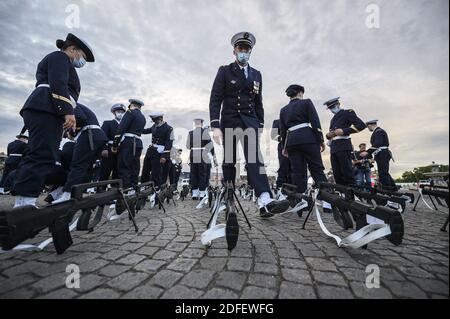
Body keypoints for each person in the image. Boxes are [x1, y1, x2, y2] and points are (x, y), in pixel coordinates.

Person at [209, 31, 289, 218]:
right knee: (229, 160)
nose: (243, 51)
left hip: (250, 121)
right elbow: (215, 99)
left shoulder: (257, 74)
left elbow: (258, 101)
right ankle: (228, 193)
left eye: (247, 49)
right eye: (240, 48)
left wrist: (260, 124)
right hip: (229, 120)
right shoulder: (225, 71)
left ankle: (265, 200)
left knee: (255, 158)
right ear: (234, 51)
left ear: (251, 51)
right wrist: (215, 125)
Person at [12, 33, 94, 208]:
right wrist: (67, 111)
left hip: (48, 109)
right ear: (72, 49)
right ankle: (25, 202)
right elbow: (58, 84)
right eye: (82, 56)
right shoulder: (60, 57)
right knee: (41, 154)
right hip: (47, 108)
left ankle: (25, 199)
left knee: (43, 153)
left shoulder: (61, 60)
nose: (82, 61)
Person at [279, 85, 329, 209]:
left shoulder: (283, 110)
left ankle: (302, 201)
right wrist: (320, 139)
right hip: (307, 138)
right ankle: (328, 200)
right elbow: (315, 121)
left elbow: (283, 130)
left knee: (297, 172)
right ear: (300, 93)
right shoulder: (306, 102)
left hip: (291, 142)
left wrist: (284, 147)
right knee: (316, 168)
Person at [53, 103, 107, 203]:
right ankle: (78, 194)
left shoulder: (69, 103)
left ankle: (67, 194)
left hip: (89, 134)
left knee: (77, 165)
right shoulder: (78, 106)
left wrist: (71, 132)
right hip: (98, 136)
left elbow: (80, 118)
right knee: (86, 168)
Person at [324, 97, 366, 186]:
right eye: (330, 108)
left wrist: (344, 131)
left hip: (343, 145)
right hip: (334, 147)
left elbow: (361, 125)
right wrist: (328, 136)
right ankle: (342, 193)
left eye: (333, 107)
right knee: (337, 174)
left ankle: (353, 193)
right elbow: (332, 133)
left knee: (347, 172)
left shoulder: (347, 113)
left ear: (338, 104)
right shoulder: (333, 119)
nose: (332, 109)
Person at [112, 99, 146, 189]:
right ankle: (133, 188)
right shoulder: (143, 117)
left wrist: (115, 144)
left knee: (124, 166)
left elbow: (121, 128)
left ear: (131, 105)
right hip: (138, 142)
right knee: (135, 167)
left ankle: (125, 189)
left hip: (128, 142)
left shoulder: (130, 112)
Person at [141, 112, 174, 189]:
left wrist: (164, 156)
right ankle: (144, 187)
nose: (154, 122)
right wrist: (136, 128)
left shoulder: (169, 128)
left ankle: (156, 188)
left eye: (156, 120)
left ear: (161, 118)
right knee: (145, 169)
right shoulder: (154, 126)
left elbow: (169, 143)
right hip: (151, 150)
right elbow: (146, 131)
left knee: (156, 172)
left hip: (159, 152)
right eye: (153, 120)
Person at [362, 120, 397, 190]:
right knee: (384, 172)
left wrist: (367, 152)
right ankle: (393, 189)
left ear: (369, 125)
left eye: (368, 127)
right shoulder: (378, 131)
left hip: (382, 153)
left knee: (383, 174)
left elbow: (378, 143)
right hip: (381, 153)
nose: (368, 129)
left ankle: (388, 191)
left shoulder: (378, 132)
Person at [99, 103, 126, 182]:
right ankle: (101, 189)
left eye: (122, 112)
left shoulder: (125, 126)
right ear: (114, 112)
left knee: (118, 171)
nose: (120, 113)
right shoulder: (107, 123)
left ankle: (114, 189)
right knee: (105, 170)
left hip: (121, 150)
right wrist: (104, 149)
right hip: (110, 149)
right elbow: (102, 137)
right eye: (118, 111)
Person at [186, 118, 212, 200]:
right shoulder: (205, 132)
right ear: (202, 123)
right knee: (202, 173)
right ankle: (202, 193)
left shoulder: (190, 133)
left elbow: (188, 146)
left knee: (194, 173)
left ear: (194, 124)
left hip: (193, 154)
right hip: (202, 153)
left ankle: (194, 193)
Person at [271, 119, 290, 199]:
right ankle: (280, 190)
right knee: (283, 167)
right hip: (283, 146)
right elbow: (273, 135)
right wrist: (284, 138)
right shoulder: (277, 121)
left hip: (296, 145)